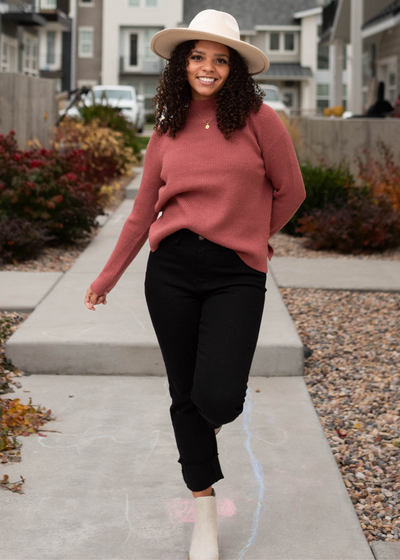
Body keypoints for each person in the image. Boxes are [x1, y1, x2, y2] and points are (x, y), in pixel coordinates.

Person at [84, 9, 306, 560]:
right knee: (184, 395)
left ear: (235, 68)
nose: (208, 67)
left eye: (220, 59)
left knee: (220, 399)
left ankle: (202, 445)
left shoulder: (259, 118)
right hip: (172, 271)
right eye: (198, 56)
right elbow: (140, 215)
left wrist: (250, 232)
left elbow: (292, 191)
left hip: (237, 272)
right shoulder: (167, 127)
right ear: (182, 64)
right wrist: (107, 276)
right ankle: (203, 507)